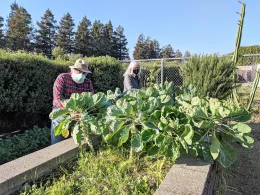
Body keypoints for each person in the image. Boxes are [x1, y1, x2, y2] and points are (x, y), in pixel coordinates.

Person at [51, 59, 94, 145]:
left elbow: (91, 100)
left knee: (79, 139)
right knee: (57, 136)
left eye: (84, 73)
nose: (81, 74)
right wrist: (70, 111)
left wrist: (82, 112)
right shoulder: (62, 78)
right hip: (63, 112)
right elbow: (57, 98)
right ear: (73, 69)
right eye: (79, 71)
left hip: (80, 114)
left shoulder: (88, 83)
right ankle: (56, 150)